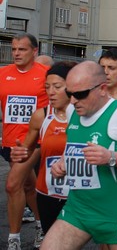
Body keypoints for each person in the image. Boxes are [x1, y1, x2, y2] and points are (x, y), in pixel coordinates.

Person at [40, 61, 117, 250]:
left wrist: (111, 157)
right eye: (70, 94)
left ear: (102, 89)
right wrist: (63, 163)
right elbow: (73, 145)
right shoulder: (73, 111)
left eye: (80, 94)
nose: (73, 100)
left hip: (115, 212)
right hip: (78, 209)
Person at [11, 62, 76, 239]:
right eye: (47, 87)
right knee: (52, 240)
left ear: (71, 87)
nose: (50, 92)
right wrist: (21, 153)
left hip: (78, 194)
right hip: (48, 192)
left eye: (57, 87)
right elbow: (28, 149)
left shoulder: (84, 116)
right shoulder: (41, 116)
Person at [1, 33, 49, 250]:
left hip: (35, 142)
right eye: (14, 49)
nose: (16, 53)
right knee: (29, 185)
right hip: (10, 142)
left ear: (34, 51)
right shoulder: (3, 74)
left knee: (13, 185)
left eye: (22, 49)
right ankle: (41, 226)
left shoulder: (46, 75)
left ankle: (14, 239)